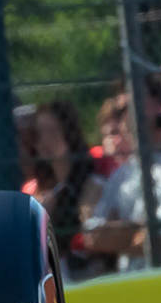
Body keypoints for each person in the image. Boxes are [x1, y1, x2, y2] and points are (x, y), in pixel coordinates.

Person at [80, 84, 161, 273]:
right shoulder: (121, 174)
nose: (129, 117)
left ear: (158, 106)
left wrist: (117, 235)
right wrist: (142, 231)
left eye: (137, 103)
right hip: (132, 281)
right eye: (122, 112)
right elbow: (93, 237)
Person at [19, 100, 102, 252]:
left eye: (52, 132)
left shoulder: (92, 183)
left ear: (69, 133)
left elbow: (91, 234)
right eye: (39, 133)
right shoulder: (36, 188)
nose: (45, 141)